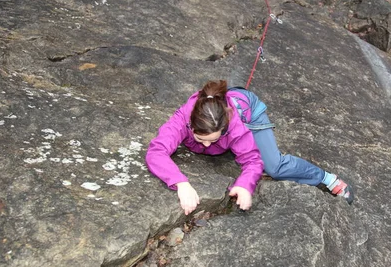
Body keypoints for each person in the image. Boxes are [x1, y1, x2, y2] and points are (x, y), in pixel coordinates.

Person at [146, 80, 354, 215]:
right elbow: (156, 151)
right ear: (190, 125)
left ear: (225, 126)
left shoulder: (236, 127)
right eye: (201, 139)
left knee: (274, 167)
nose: (208, 146)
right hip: (220, 105)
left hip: (249, 108)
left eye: (214, 139)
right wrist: (181, 183)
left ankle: (327, 178)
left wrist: (245, 185)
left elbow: (253, 160)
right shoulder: (183, 118)